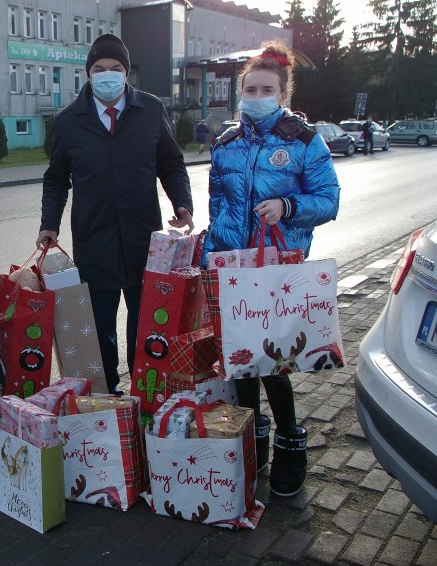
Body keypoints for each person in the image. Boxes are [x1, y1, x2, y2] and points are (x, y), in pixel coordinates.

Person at [201, 41, 340, 497]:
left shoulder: (303, 141)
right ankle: (251, 444)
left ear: (282, 93)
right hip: (231, 269)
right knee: (240, 364)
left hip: (278, 270)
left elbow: (329, 200)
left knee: (275, 364)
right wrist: (209, 254)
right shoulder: (226, 143)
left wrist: (287, 205)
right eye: (250, 88)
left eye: (266, 88)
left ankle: (289, 445)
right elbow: (218, 204)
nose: (257, 95)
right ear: (240, 93)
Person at [37, 33, 194, 396]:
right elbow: (56, 179)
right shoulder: (69, 121)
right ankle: (107, 399)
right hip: (95, 242)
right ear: (88, 73)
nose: (107, 74)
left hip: (144, 243)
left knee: (146, 329)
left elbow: (171, 163)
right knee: (99, 330)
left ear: (127, 72)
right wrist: (49, 224)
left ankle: (146, 397)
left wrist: (181, 203)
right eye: (99, 68)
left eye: (115, 68)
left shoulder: (151, 111)